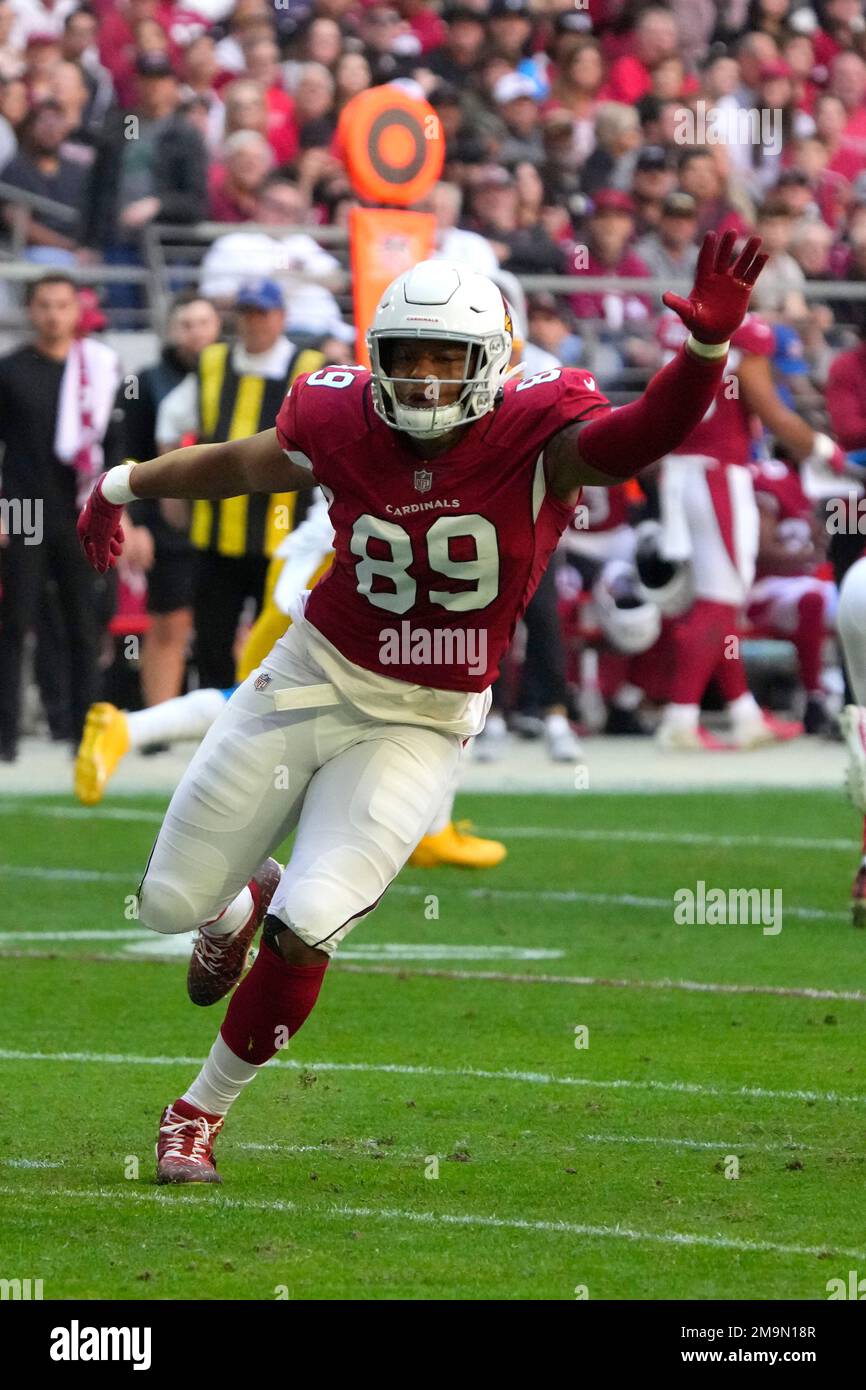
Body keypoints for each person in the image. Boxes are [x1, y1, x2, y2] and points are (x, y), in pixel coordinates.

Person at [77, 235, 767, 1183]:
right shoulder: (337, 412)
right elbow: (244, 465)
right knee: (167, 905)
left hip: (425, 717)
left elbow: (641, 435)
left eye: (449, 358)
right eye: (409, 356)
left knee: (314, 919)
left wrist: (701, 357)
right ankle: (233, 905)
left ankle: (198, 1110)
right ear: (378, 357)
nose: (428, 379)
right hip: (312, 676)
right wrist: (123, 482)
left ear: (491, 363)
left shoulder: (539, 432)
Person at [154, 277, 324, 689]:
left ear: (280, 317)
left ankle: (268, 719)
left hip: (284, 535)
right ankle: (214, 718)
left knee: (280, 637)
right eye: (246, 314)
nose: (254, 323)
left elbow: (327, 443)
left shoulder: (309, 368)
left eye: (262, 314)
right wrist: (169, 488)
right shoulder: (213, 362)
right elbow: (172, 418)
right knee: (213, 636)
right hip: (216, 534)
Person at [0, 273, 121, 760]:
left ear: (77, 311)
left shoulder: (99, 368)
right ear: (32, 311)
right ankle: (6, 738)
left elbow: (114, 449)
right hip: (23, 507)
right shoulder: (10, 370)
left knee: (82, 623)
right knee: (15, 623)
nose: (53, 314)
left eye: (63, 305)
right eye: (45, 305)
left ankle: (83, 735)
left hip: (81, 510)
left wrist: (119, 512)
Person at [119, 292, 223, 707]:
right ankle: (157, 722)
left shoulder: (237, 376)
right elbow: (129, 455)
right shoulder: (146, 382)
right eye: (186, 324)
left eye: (203, 322)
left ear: (217, 327)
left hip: (228, 523)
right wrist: (136, 521)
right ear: (171, 330)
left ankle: (224, 725)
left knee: (222, 627)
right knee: (170, 623)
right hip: (168, 522)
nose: (195, 332)